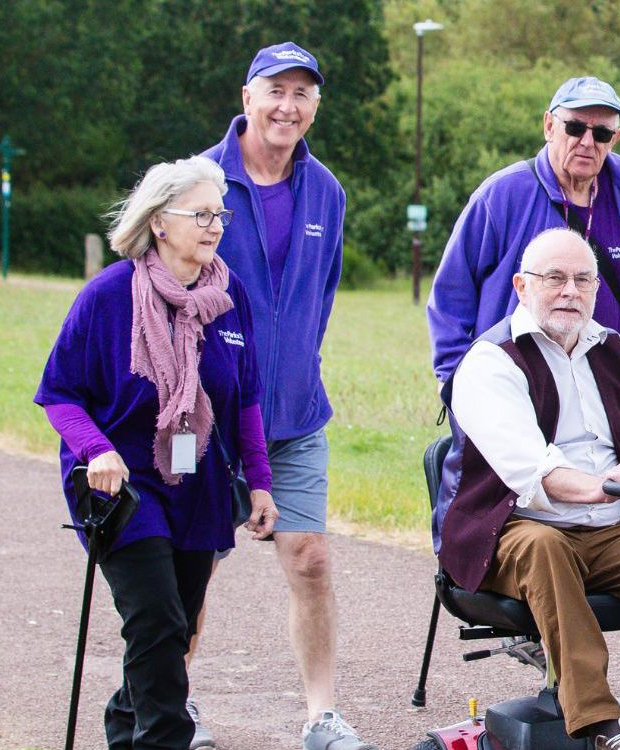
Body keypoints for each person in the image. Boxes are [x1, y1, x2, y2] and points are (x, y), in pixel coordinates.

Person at [34, 156, 278, 750]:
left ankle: (126, 723)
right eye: (200, 213)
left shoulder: (227, 296)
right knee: (158, 621)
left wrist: (261, 482)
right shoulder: (109, 296)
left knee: (173, 629)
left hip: (196, 483)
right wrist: (96, 451)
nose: (215, 225)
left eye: (219, 214)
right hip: (121, 483)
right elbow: (59, 394)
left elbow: (244, 397)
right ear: (159, 223)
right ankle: (165, 738)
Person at [440, 229, 620, 750]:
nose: (570, 291)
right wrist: (606, 488)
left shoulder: (616, 350)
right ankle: (603, 729)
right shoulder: (490, 361)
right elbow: (533, 475)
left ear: (595, 289)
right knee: (546, 548)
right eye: (555, 278)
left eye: (583, 279)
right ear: (522, 286)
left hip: (606, 531)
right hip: (514, 528)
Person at [190, 41, 367, 750]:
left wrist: (290, 369)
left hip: (292, 418)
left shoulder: (327, 191)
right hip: (205, 421)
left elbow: (318, 300)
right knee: (190, 565)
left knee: (311, 559)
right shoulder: (196, 182)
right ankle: (172, 703)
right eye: (275, 91)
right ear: (246, 98)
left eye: (302, 94)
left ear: (314, 107)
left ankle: (322, 716)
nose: (287, 106)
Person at [426, 75, 620, 555]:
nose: (587, 141)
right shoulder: (502, 195)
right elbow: (450, 297)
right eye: (575, 127)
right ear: (549, 125)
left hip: (600, 388)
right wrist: (465, 388)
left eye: (601, 132)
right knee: (531, 518)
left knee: (605, 517)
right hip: (515, 384)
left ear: (615, 138)